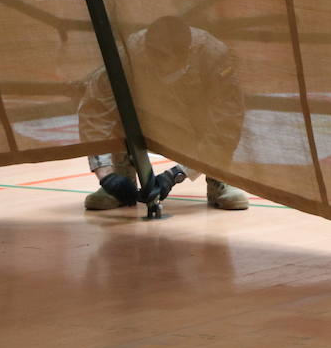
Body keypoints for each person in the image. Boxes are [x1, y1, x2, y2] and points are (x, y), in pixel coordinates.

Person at [79, 15, 250, 211]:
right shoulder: (128, 55)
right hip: (148, 118)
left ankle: (219, 178)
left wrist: (175, 175)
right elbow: (95, 109)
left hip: (195, 120)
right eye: (155, 56)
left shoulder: (212, 56)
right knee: (119, 106)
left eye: (166, 58)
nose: (159, 63)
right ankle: (121, 176)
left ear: (186, 53)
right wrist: (106, 175)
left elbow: (226, 124)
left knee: (217, 122)